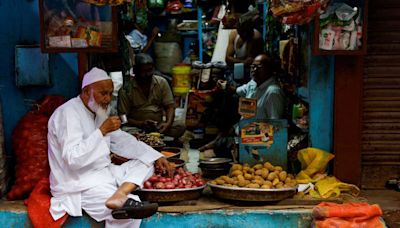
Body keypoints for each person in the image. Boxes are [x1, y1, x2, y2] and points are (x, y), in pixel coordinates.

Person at [47, 67, 174, 228]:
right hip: (77, 184)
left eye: (110, 93)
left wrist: (156, 155)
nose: (108, 99)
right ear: (86, 92)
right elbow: (73, 159)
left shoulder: (97, 112)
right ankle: (119, 198)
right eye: (103, 93)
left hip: (103, 174)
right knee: (130, 209)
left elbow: (120, 140)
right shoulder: (67, 113)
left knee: (146, 162)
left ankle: (120, 193)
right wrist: (102, 131)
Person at [199, 54, 286, 158]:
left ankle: (224, 146)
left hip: (257, 138)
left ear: (269, 70)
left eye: (258, 67)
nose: (254, 70)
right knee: (225, 129)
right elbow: (236, 90)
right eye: (252, 66)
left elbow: (275, 127)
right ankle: (219, 142)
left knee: (220, 146)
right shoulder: (253, 84)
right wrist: (224, 86)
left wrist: (249, 134)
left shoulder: (273, 92)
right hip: (243, 130)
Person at [118, 53, 185, 138]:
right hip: (136, 128)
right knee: (124, 131)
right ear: (135, 71)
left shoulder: (161, 82)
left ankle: (154, 138)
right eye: (143, 71)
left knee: (180, 126)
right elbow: (123, 118)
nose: (147, 74)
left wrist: (167, 124)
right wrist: (141, 123)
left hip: (157, 126)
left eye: (150, 70)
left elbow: (170, 106)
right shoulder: (126, 89)